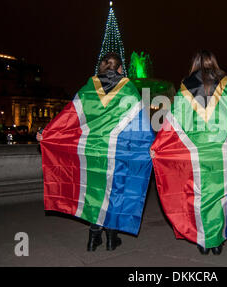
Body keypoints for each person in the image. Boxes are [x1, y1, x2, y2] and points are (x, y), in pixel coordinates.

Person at [150, 50, 227, 255]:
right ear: (214, 63)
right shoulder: (226, 87)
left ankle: (202, 241)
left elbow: (172, 123)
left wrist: (158, 146)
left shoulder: (184, 89)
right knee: (220, 196)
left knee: (199, 196)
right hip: (220, 153)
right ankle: (216, 241)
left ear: (193, 65)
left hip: (195, 154)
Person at [37, 52, 154, 252]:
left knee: (93, 192)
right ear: (119, 69)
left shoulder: (87, 90)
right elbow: (140, 126)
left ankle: (93, 237)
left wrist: (47, 133)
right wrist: (152, 146)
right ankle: (111, 238)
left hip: (92, 153)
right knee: (115, 193)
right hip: (117, 155)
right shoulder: (128, 90)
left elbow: (69, 118)